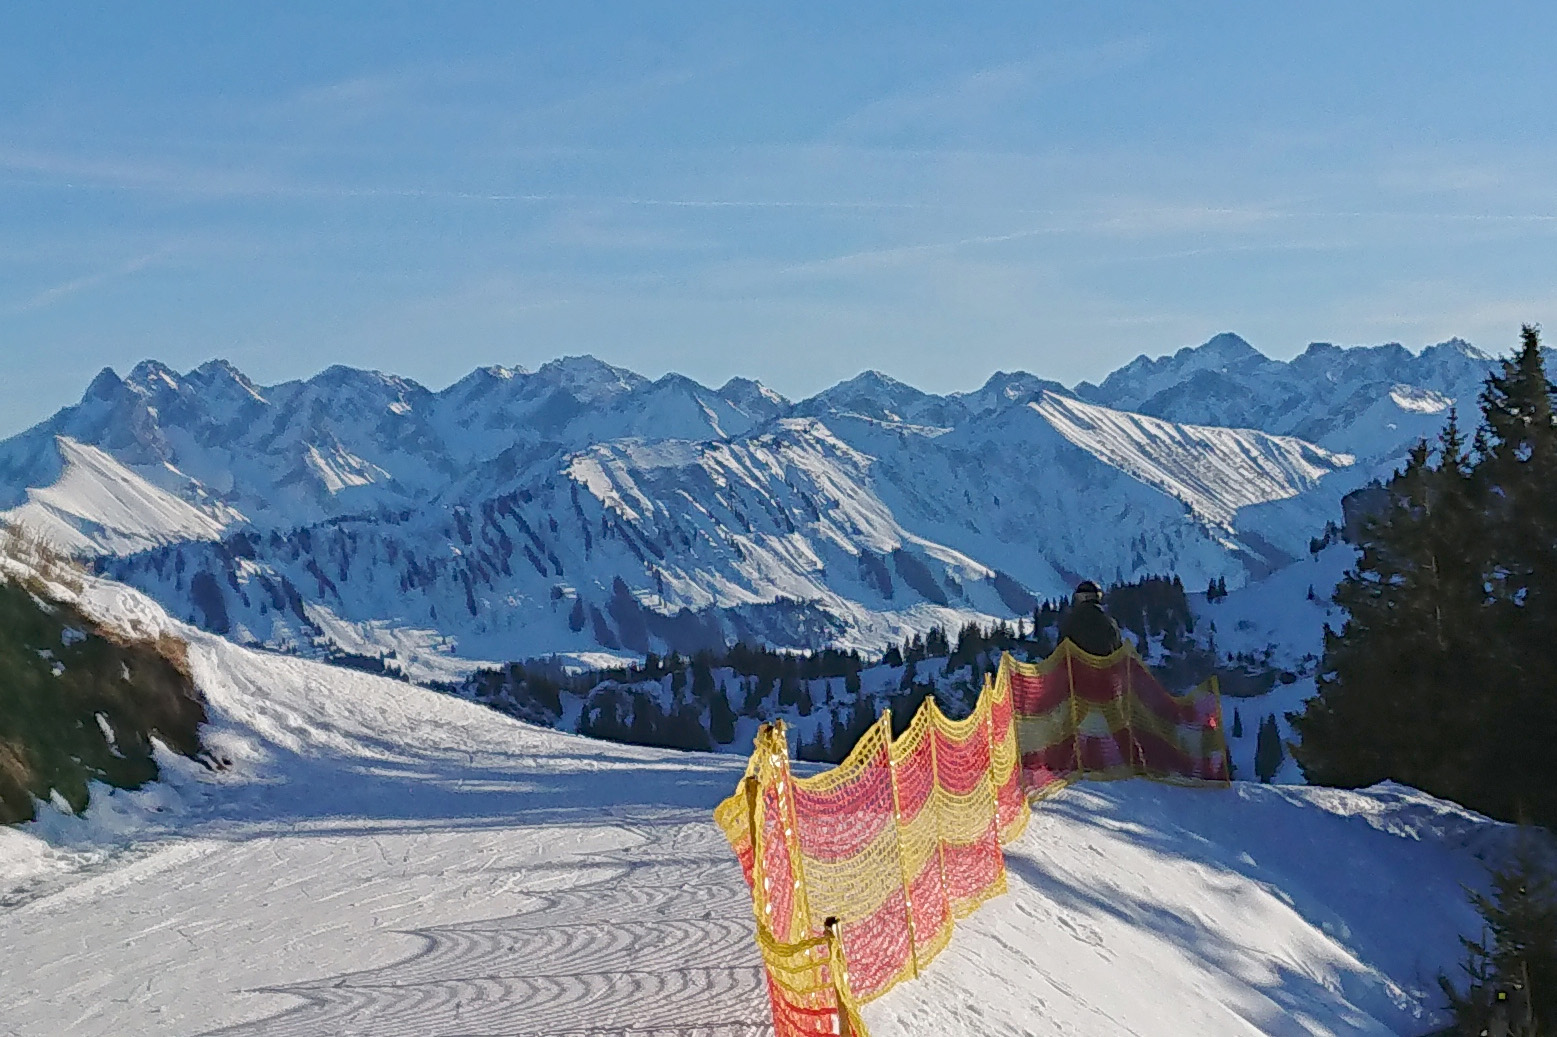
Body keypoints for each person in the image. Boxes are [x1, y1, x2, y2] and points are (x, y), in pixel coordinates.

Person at [1058, 580, 1123, 656]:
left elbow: (1060, 650)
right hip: (1105, 666)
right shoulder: (1109, 622)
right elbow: (1118, 650)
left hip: (1075, 666)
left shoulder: (1069, 622)